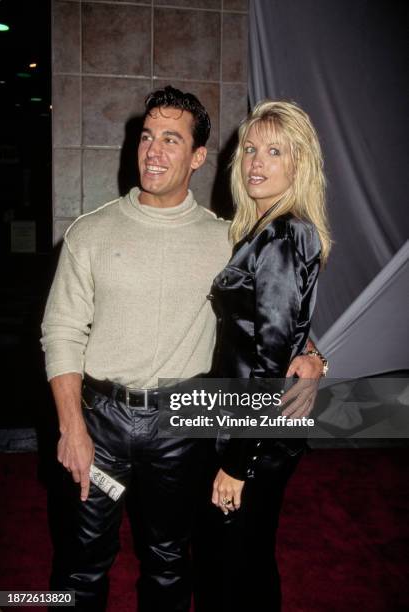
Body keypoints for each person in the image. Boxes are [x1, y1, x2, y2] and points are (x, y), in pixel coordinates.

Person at [41, 86, 327, 612]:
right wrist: (71, 427)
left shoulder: (227, 239)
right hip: (98, 421)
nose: (154, 151)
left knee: (170, 562)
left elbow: (272, 317)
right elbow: (61, 331)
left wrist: (313, 355)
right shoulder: (90, 232)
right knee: (79, 565)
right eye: (148, 136)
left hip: (183, 422)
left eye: (171, 140)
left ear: (198, 157)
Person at [193, 100, 331, 612]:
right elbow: (288, 331)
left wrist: (237, 463)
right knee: (243, 559)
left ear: (300, 164)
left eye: (275, 151)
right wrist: (318, 357)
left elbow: (271, 361)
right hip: (248, 427)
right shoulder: (264, 229)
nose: (256, 161)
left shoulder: (283, 233)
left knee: (232, 567)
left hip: (251, 436)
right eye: (251, 149)